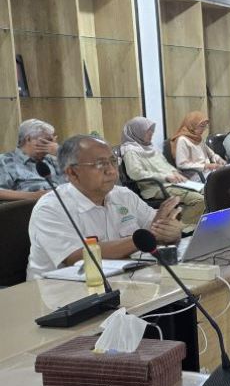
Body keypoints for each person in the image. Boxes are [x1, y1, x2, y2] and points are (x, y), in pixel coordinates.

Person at [26, 136, 182, 279]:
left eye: (113, 161)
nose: (112, 170)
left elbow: (156, 231)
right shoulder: (50, 208)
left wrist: (170, 233)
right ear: (72, 173)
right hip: (60, 291)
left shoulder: (124, 196)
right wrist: (148, 237)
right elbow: (77, 257)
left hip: (120, 282)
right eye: (100, 164)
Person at [119, 117, 205, 228]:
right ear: (138, 132)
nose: (151, 134)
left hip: (171, 184)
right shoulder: (130, 151)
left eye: (152, 131)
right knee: (199, 200)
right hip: (155, 188)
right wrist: (165, 177)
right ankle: (180, 229)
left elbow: (164, 165)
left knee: (206, 191)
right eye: (148, 131)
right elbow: (135, 173)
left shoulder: (150, 147)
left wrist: (175, 173)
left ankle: (189, 224)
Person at [0, 119, 65, 201]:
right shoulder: (5, 161)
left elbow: (77, 182)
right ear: (28, 139)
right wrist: (33, 196)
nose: (52, 145)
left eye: (53, 141)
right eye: (47, 140)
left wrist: (61, 153)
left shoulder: (53, 160)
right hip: (30, 206)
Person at [170, 111, 226, 176]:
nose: (204, 129)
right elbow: (182, 164)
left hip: (206, 172)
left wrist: (218, 159)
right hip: (194, 175)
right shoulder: (182, 140)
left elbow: (211, 154)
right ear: (192, 126)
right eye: (202, 126)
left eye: (205, 126)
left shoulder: (198, 138)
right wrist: (205, 166)